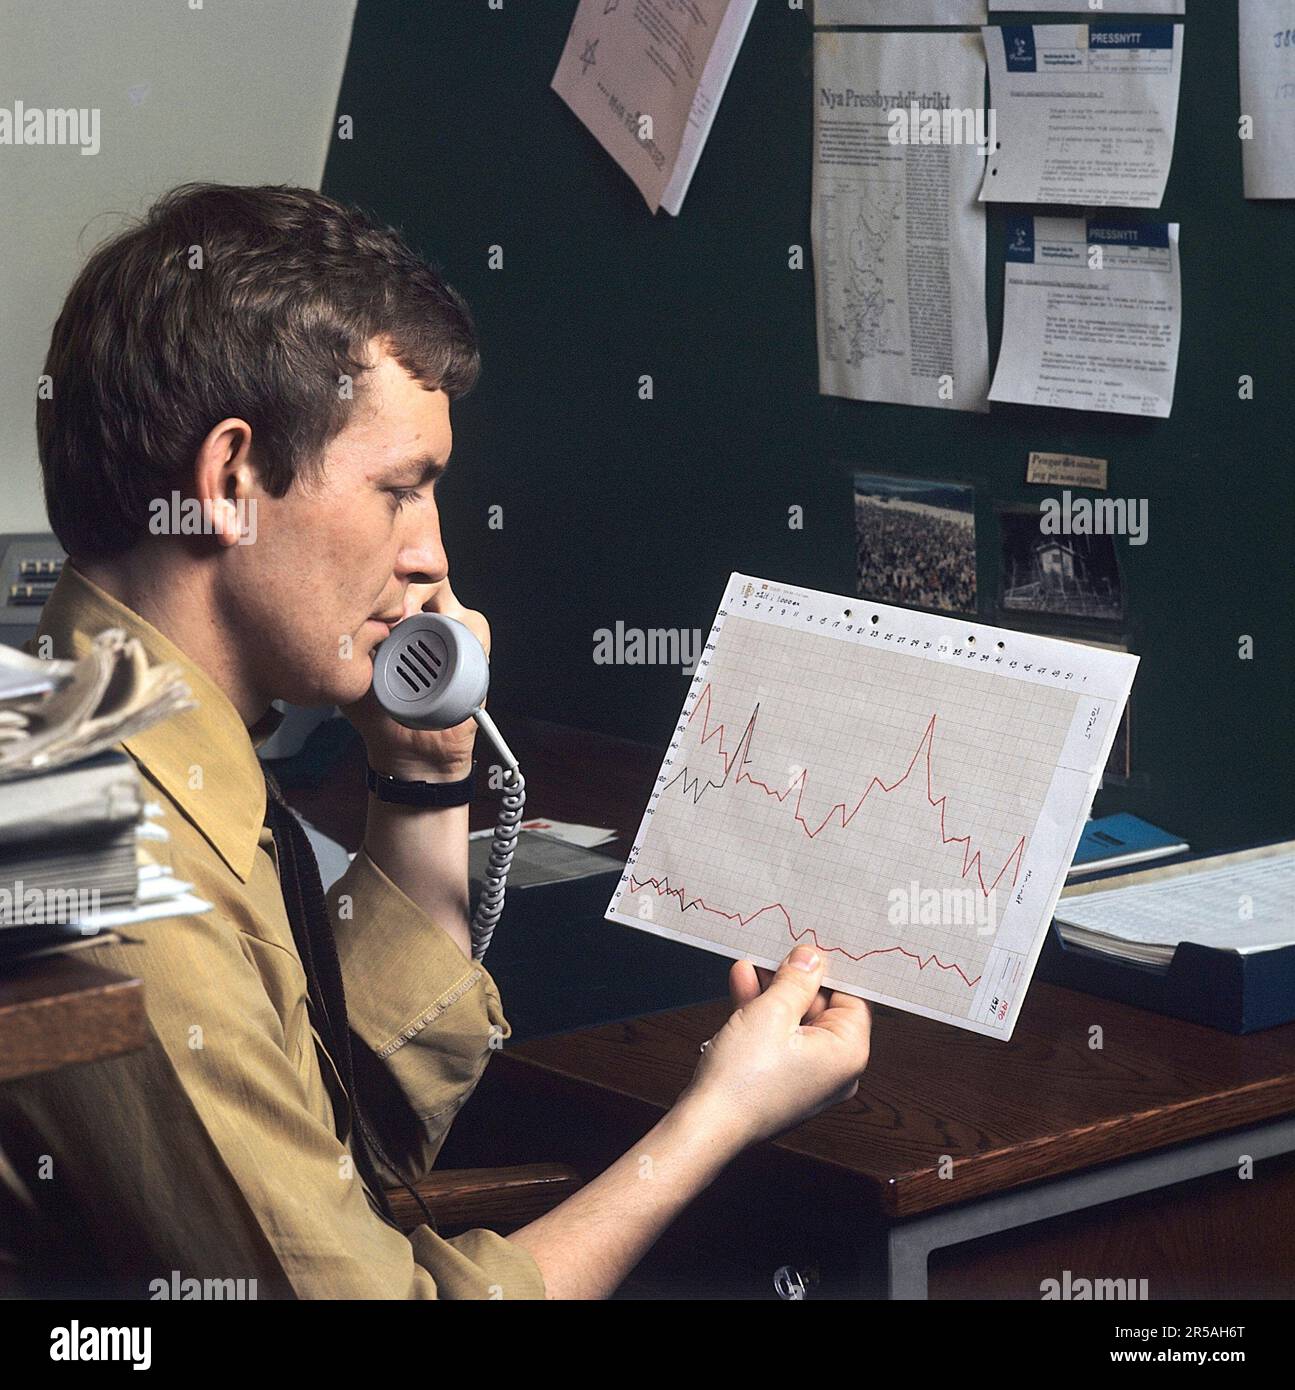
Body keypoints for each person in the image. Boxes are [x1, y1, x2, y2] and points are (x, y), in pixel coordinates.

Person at [0, 183, 872, 1299]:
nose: (431, 557)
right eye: (400, 492)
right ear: (227, 482)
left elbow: (322, 1154)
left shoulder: (113, 743)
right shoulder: (93, 862)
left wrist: (423, 773)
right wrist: (714, 1121)